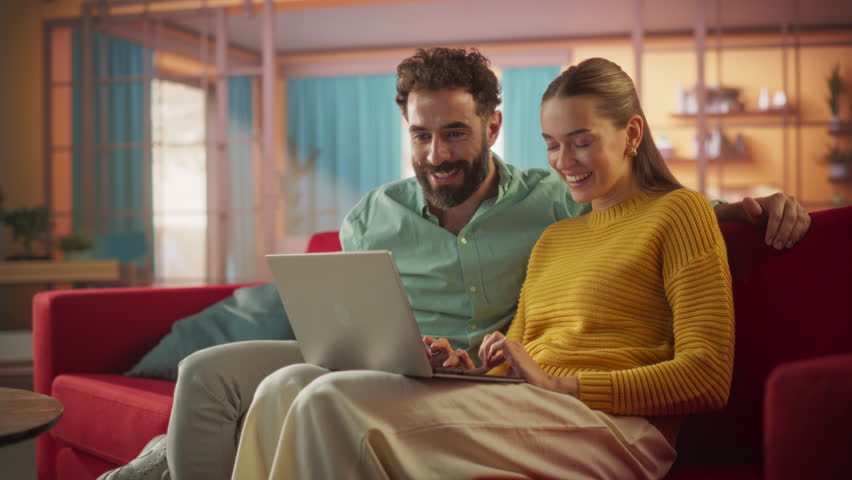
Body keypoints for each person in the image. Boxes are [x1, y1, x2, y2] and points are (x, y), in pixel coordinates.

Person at [98, 48, 810, 480]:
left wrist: (746, 207)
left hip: (611, 423)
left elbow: (708, 378)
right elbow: (519, 353)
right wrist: (473, 363)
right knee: (289, 387)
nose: (564, 163)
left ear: (631, 133)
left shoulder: (665, 216)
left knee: (323, 400)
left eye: (582, 142)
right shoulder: (559, 237)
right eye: (554, 145)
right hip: (520, 395)